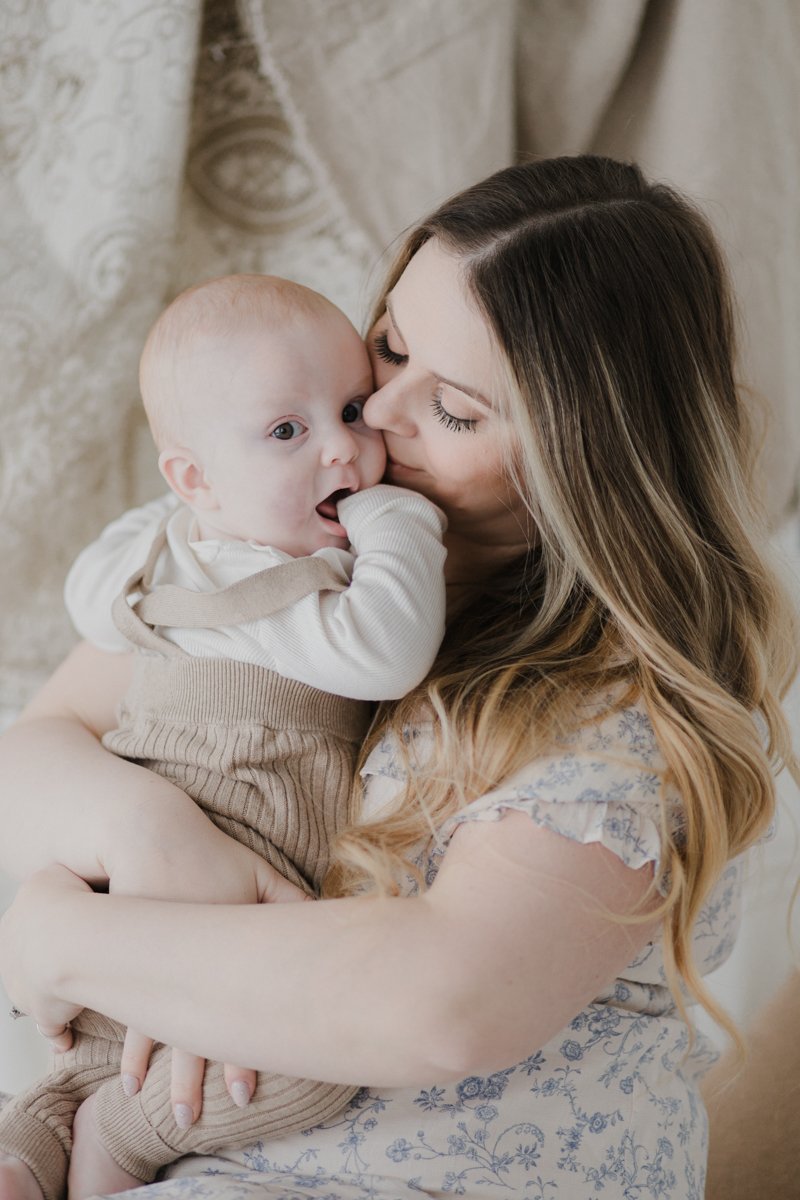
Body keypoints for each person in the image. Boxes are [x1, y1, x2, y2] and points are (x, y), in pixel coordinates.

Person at [0, 155, 797, 1200]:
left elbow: (442, 1003)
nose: (373, 417)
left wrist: (67, 940)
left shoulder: (617, 697)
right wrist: (153, 833)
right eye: (390, 345)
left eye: (454, 412)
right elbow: (37, 744)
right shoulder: (272, 545)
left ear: (581, 463)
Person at [0, 274, 447, 1198]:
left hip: (212, 905)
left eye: (354, 409)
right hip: (149, 878)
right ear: (194, 476)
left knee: (121, 1058)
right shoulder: (271, 583)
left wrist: (188, 525)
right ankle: (110, 1140)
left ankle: (57, 1139)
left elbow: (98, 595)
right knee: (293, 1070)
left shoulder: (224, 557)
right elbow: (388, 653)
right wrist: (399, 518)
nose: (343, 449)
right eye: (288, 432)